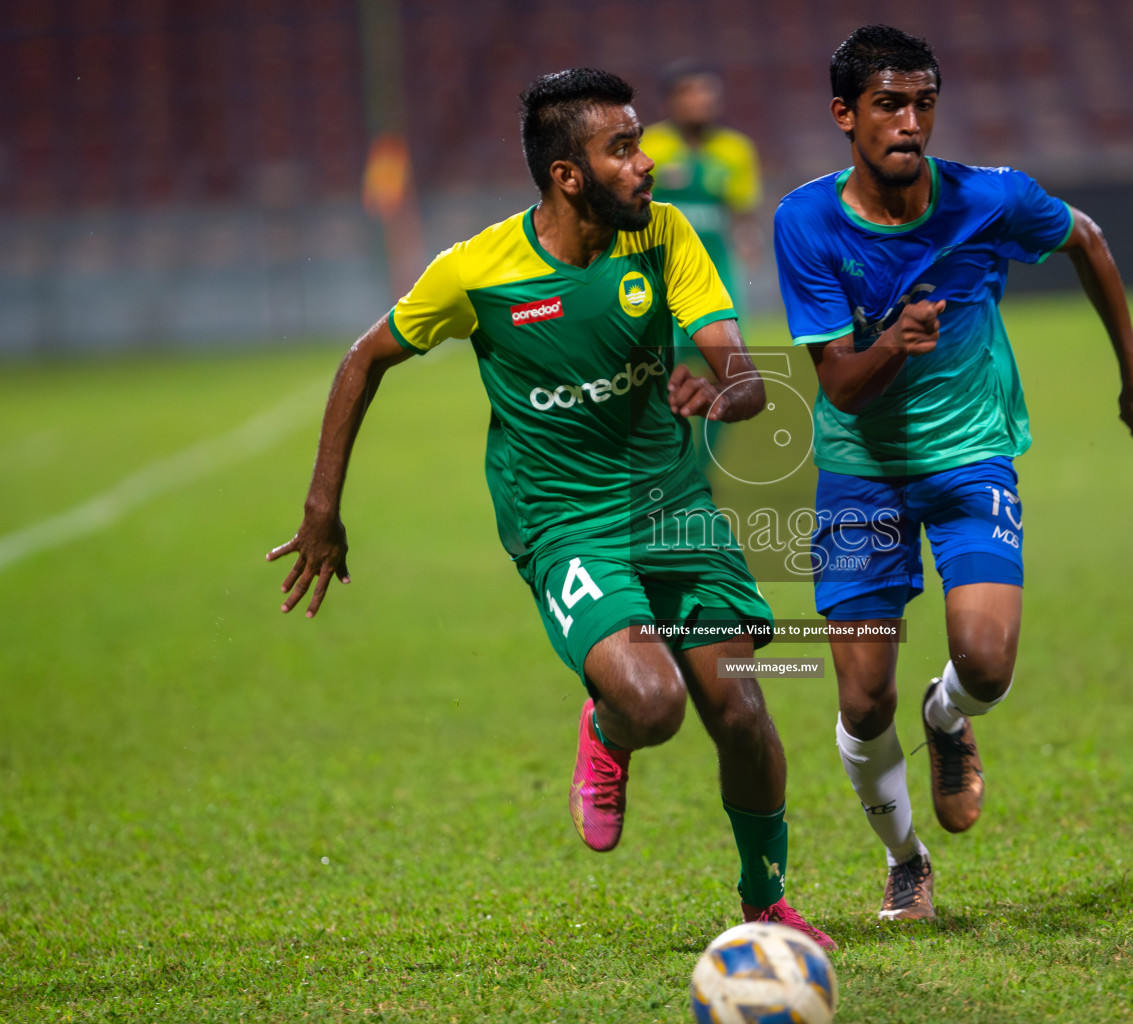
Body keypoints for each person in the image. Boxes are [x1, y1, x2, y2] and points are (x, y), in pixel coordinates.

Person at [267, 68, 833, 949]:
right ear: (568, 174)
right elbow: (363, 359)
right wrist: (322, 509)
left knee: (740, 709)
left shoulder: (666, 236)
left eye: (640, 142)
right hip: (564, 519)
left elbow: (744, 375)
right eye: (623, 149)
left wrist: (727, 393)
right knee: (655, 705)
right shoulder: (478, 271)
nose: (647, 165)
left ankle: (766, 904)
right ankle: (607, 725)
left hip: (672, 503)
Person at [773, 26, 1133, 923]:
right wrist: (898, 344)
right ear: (846, 115)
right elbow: (838, 382)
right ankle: (904, 860)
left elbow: (1088, 240)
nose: (909, 122)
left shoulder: (994, 200)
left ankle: (949, 717)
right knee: (862, 697)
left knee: (986, 664)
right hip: (859, 474)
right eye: (888, 104)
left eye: (923, 103)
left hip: (969, 458)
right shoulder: (805, 221)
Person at [644, 59, 763, 473]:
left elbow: (742, 211)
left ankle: (704, 466)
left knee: (730, 370)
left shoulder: (735, 150)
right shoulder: (649, 149)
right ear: (670, 101)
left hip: (718, 276)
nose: (701, 102)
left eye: (708, 93)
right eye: (691, 93)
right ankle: (669, 460)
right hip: (663, 277)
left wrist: (749, 243)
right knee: (660, 373)